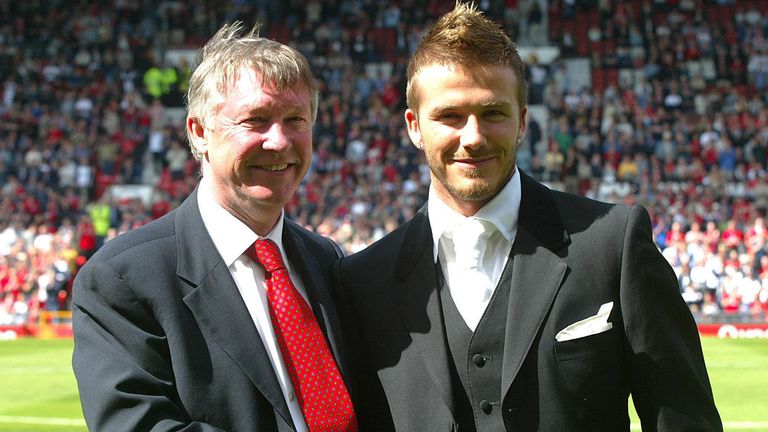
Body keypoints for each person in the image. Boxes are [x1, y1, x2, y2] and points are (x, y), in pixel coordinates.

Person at [334, 3, 722, 431]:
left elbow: (686, 420)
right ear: (413, 126)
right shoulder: (363, 282)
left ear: (521, 122)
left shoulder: (614, 244)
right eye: (449, 116)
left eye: (493, 113)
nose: (473, 137)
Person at [72, 22, 358, 432]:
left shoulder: (325, 259)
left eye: (296, 119)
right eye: (255, 120)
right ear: (200, 132)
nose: (279, 141)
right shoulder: (123, 279)